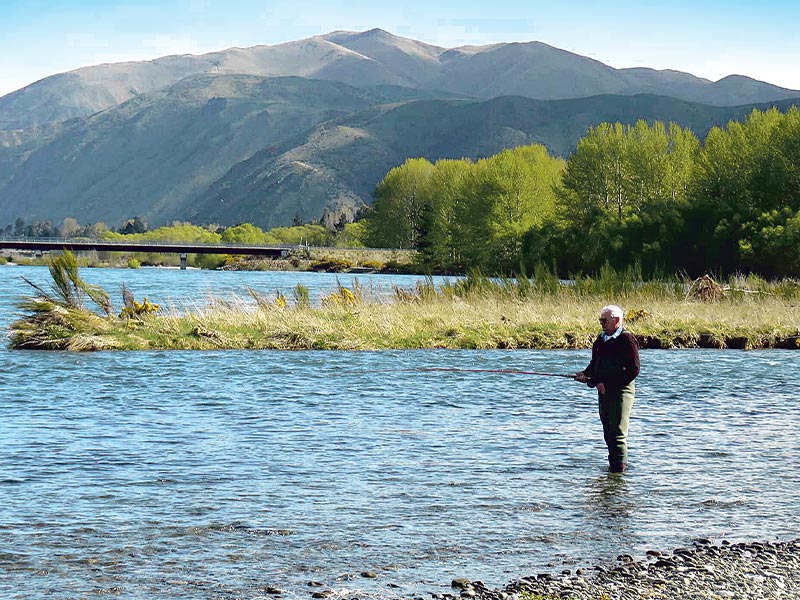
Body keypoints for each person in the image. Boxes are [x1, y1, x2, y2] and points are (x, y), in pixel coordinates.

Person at [575, 305, 640, 473]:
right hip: (603, 391)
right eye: (600, 320)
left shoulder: (627, 340)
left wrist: (607, 384)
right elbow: (595, 365)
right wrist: (585, 375)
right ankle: (613, 470)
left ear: (616, 321)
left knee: (617, 434)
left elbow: (633, 370)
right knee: (608, 433)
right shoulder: (600, 340)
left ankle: (619, 472)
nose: (601, 324)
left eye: (604, 320)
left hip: (621, 392)